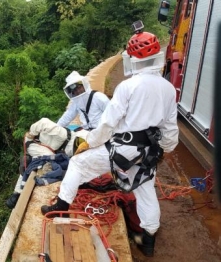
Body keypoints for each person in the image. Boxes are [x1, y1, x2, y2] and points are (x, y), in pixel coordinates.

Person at [40, 30, 179, 257]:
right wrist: (164, 150)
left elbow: (106, 126)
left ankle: (61, 206)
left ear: (132, 58)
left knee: (77, 164)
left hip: (121, 150)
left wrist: (90, 142)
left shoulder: (128, 87)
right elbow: (170, 130)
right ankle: (148, 240)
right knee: (145, 190)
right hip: (148, 152)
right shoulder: (168, 89)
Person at [5, 118, 89, 209]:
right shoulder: (62, 135)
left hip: (50, 148)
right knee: (36, 164)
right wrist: (31, 134)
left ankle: (17, 194)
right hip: (34, 142)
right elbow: (43, 122)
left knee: (54, 162)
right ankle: (17, 193)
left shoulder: (79, 147)